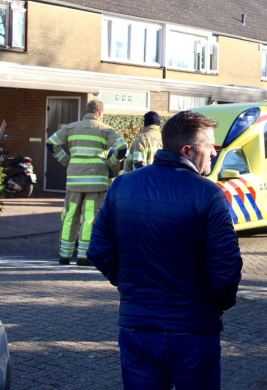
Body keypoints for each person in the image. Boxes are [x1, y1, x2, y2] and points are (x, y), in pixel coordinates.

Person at [87, 111, 243, 390]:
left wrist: (131, 285)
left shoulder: (122, 185)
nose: (213, 153)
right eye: (209, 146)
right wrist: (215, 305)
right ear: (187, 150)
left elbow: (98, 250)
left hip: (138, 327)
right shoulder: (209, 194)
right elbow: (226, 266)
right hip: (193, 331)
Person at [47, 99, 127, 266]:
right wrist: (109, 163)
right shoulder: (106, 129)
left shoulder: (71, 127)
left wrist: (67, 161)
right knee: (89, 217)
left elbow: (51, 143)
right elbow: (122, 148)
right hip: (96, 182)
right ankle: (84, 256)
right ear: (100, 113)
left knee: (70, 216)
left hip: (74, 181)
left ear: (87, 110)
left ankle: (64, 255)